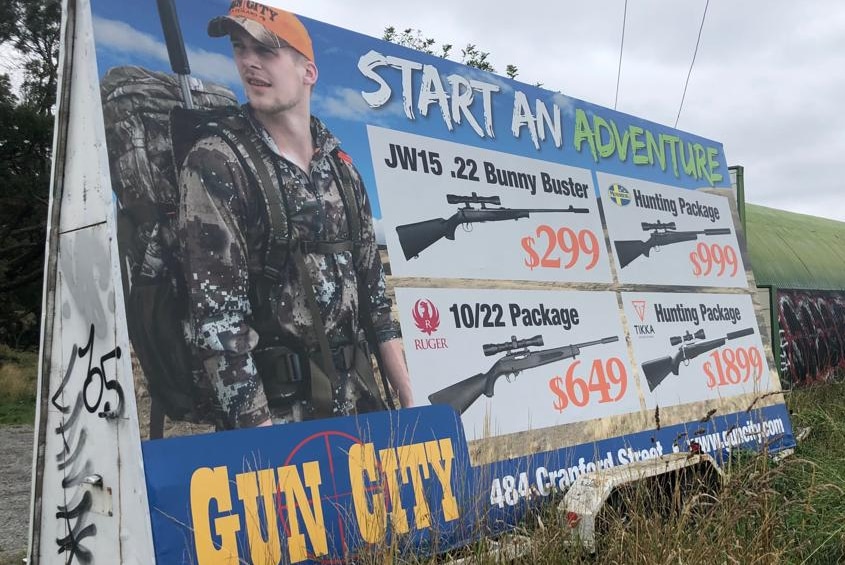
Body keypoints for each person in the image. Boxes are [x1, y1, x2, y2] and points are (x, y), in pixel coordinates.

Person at [177, 0, 413, 429]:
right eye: (238, 48)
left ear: (309, 72)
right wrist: (266, 447)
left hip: (362, 406)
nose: (248, 62)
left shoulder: (342, 168)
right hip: (278, 422)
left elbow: (374, 299)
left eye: (266, 50)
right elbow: (220, 328)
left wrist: (410, 403)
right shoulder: (217, 162)